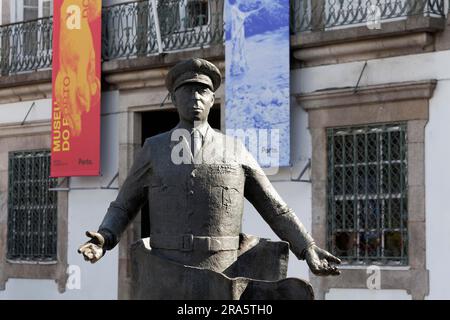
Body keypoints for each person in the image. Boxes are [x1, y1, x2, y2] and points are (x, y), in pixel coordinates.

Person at [78, 58, 340, 298]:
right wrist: (104, 238)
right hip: (166, 273)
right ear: (173, 98)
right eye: (187, 90)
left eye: (202, 91)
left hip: (222, 272)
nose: (195, 97)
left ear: (213, 100)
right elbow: (124, 204)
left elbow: (274, 207)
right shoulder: (154, 149)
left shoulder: (235, 150)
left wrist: (307, 248)